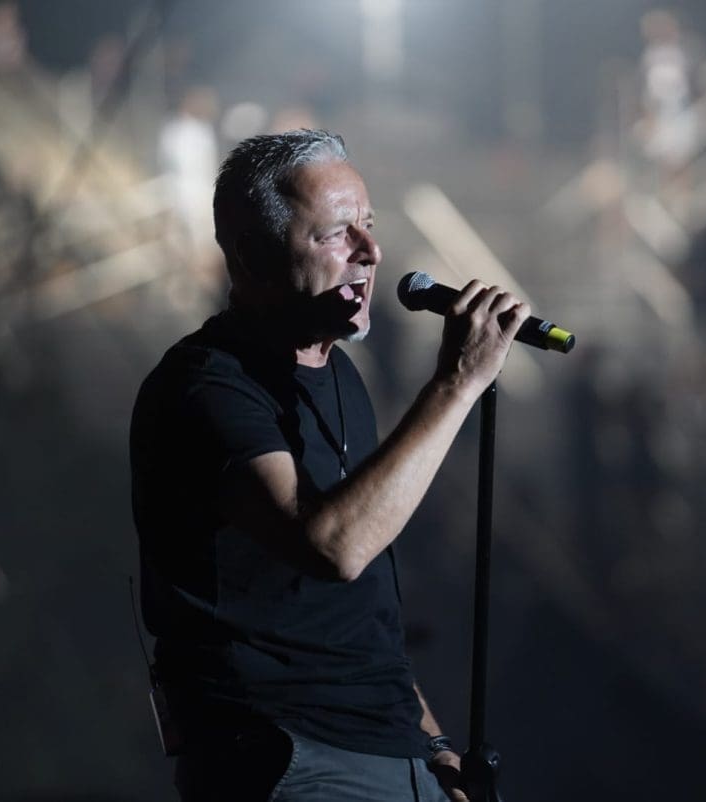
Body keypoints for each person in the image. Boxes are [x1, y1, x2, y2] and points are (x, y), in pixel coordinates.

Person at [130, 129, 530, 801]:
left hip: (391, 751)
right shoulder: (205, 388)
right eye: (336, 234)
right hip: (291, 755)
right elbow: (334, 547)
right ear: (253, 255)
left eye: (369, 226)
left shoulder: (341, 378)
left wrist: (433, 747)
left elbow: (360, 611)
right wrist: (456, 383)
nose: (370, 252)